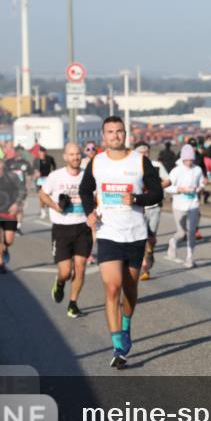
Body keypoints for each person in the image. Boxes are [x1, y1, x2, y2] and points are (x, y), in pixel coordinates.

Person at [79, 116, 164, 370]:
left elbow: (157, 192)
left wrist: (137, 199)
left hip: (135, 234)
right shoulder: (97, 162)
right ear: (103, 136)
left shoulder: (140, 161)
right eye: (110, 132)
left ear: (125, 134)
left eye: (119, 131)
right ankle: (118, 346)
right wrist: (89, 213)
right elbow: (85, 190)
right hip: (108, 233)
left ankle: (126, 323)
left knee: (130, 290)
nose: (115, 135)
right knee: (112, 288)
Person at [38, 143, 91, 318]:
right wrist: (55, 206)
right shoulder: (55, 176)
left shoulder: (88, 176)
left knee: (81, 268)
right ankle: (60, 282)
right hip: (61, 228)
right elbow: (42, 194)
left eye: (78, 154)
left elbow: (96, 196)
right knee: (66, 271)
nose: (75, 157)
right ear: (65, 157)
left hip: (83, 227)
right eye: (72, 154)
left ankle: (73, 304)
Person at [133, 141, 171, 281]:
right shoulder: (132, 167)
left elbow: (168, 181)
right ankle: (145, 268)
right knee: (142, 237)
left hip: (154, 206)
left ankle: (150, 252)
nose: (144, 154)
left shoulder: (156, 165)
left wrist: (155, 187)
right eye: (141, 152)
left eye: (146, 152)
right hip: (138, 207)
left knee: (151, 237)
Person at [166, 144, 206, 269]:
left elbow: (202, 183)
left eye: (191, 159)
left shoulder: (198, 170)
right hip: (178, 205)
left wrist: (198, 188)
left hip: (193, 204)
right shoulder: (176, 171)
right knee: (181, 233)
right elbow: (167, 187)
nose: (189, 162)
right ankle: (173, 241)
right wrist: (179, 189)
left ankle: (189, 257)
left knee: (192, 232)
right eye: (187, 159)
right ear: (183, 159)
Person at [5, 147, 32, 235]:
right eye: (17, 151)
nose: (19, 153)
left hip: (21, 189)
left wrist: (27, 186)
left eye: (21, 152)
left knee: (20, 208)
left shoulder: (26, 163)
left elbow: (29, 176)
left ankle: (18, 227)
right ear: (15, 152)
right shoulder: (9, 162)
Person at [34, 147, 57, 221]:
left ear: (45, 152)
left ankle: (50, 208)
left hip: (48, 178)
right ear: (39, 153)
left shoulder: (50, 158)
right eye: (41, 153)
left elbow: (54, 166)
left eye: (43, 153)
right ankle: (42, 210)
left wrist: (52, 173)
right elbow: (34, 169)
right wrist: (36, 172)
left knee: (50, 194)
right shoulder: (36, 160)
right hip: (40, 179)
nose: (42, 154)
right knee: (41, 195)